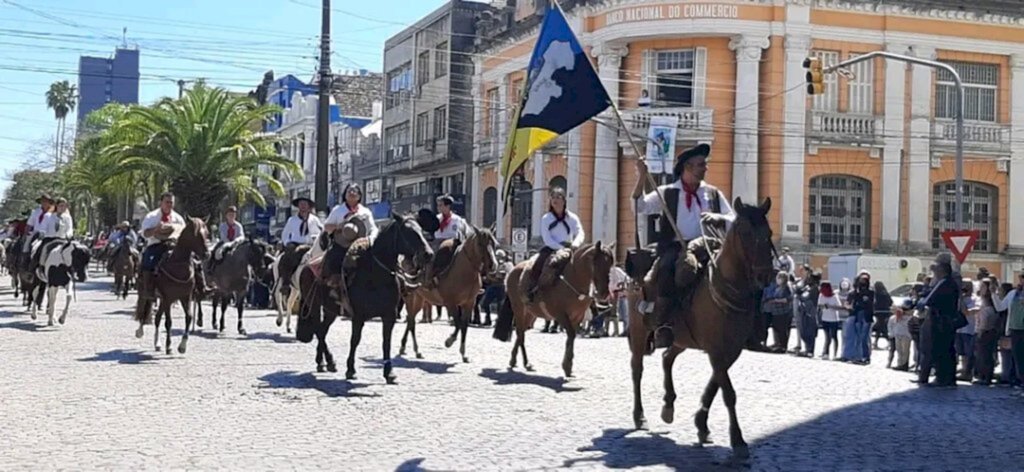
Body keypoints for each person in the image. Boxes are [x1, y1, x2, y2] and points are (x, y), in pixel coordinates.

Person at [633, 143, 734, 349]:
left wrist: (718, 217)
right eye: (700, 165)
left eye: (704, 164)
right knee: (668, 270)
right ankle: (663, 324)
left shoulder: (713, 193)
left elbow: (733, 218)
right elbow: (639, 207)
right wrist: (642, 177)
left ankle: (740, 322)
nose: (705, 168)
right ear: (687, 167)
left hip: (709, 246)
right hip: (676, 247)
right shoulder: (667, 192)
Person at [526, 187, 584, 302]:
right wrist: (561, 248)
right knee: (538, 264)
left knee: (585, 266)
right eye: (553, 197)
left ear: (564, 200)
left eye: (558, 197)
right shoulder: (546, 218)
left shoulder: (572, 217)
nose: (555, 200)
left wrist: (576, 244)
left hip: (570, 248)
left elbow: (580, 232)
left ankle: (591, 300)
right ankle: (532, 291)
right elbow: (547, 238)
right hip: (552, 248)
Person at [915, 254, 960, 387]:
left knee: (942, 350)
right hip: (940, 321)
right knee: (941, 349)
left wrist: (922, 301)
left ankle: (944, 378)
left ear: (942, 270)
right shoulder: (942, 282)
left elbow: (930, 300)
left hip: (942, 322)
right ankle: (943, 377)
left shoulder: (946, 283)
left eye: (936, 270)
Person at [138, 192, 186, 300]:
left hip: (174, 246)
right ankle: (148, 289)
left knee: (192, 261)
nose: (169, 205)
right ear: (161, 203)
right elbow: (145, 234)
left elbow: (183, 234)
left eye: (171, 202)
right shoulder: (151, 217)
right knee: (147, 262)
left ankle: (198, 286)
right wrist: (156, 230)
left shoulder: (178, 219)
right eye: (167, 202)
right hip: (156, 244)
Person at [423, 194, 467, 289]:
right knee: (429, 257)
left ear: (448, 206)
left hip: (453, 243)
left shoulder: (458, 220)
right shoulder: (436, 219)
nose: (438, 208)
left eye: (441, 205)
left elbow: (465, 233)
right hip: (438, 243)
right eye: (438, 205)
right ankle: (429, 279)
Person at [992, 273, 1024, 390]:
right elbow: (1000, 307)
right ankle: (1020, 382)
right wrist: (993, 294)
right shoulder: (1013, 294)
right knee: (1018, 357)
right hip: (1014, 329)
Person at [31, 197, 73, 271]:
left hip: (62, 240)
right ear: (57, 206)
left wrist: (68, 234)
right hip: (49, 239)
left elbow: (70, 228)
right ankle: (38, 267)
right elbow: (43, 227)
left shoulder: (67, 218)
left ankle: (73, 270)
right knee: (41, 250)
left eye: (64, 206)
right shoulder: (48, 216)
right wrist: (42, 232)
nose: (63, 208)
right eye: (61, 206)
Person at [842, 272, 874, 364]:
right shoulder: (855, 292)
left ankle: (866, 357)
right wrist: (850, 306)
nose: (863, 282)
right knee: (858, 337)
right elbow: (850, 303)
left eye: (865, 280)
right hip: (857, 316)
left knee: (864, 338)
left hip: (867, 317)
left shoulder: (871, 292)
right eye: (861, 280)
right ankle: (857, 356)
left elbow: (869, 304)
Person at [973, 279, 1000, 385]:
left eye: (983, 287)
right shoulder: (982, 303)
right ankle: (982, 375)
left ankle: (986, 376)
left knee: (985, 355)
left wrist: (981, 330)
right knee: (981, 355)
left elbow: (988, 320)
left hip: (987, 332)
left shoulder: (990, 305)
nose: (981, 289)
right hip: (982, 330)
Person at [209, 206, 245, 273]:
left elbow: (242, 236)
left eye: (233, 215)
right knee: (215, 251)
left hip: (236, 244)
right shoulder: (222, 226)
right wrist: (229, 243)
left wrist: (237, 240)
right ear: (226, 216)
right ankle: (211, 267)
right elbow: (223, 237)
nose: (231, 216)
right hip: (224, 243)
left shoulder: (239, 226)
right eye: (230, 215)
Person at [955, 281, 979, 381]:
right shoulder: (960, 299)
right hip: (959, 329)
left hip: (969, 329)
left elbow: (966, 312)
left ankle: (969, 372)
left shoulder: (974, 299)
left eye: (966, 286)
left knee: (969, 352)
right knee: (961, 353)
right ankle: (964, 371)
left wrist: (961, 299)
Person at [764, 271, 793, 353]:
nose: (777, 279)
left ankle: (783, 346)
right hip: (776, 312)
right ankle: (777, 344)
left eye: (779, 278)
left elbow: (788, 299)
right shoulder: (777, 287)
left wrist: (776, 300)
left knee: (782, 329)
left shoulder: (786, 287)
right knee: (776, 328)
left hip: (783, 311)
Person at [794, 270, 821, 358]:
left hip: (811, 313)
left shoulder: (816, 289)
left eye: (811, 278)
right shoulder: (808, 287)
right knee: (803, 332)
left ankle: (810, 350)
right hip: (804, 311)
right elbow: (801, 294)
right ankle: (807, 349)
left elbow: (808, 298)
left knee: (810, 333)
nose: (809, 280)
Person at [818, 281, 843, 360]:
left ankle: (835, 354)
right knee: (827, 337)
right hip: (825, 318)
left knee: (834, 337)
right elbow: (820, 305)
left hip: (834, 319)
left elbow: (839, 307)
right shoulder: (821, 295)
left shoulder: (834, 296)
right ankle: (826, 353)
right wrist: (824, 306)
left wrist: (831, 306)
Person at [888, 300, 913, 371]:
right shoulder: (895, 317)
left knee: (905, 351)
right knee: (899, 350)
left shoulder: (909, 317)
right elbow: (891, 324)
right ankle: (900, 364)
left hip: (906, 335)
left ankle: (904, 365)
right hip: (898, 334)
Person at [873, 281, 893, 350]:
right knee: (881, 327)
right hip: (885, 312)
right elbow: (891, 302)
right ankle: (877, 341)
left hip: (878, 312)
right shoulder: (886, 293)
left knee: (881, 328)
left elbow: (874, 303)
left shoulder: (876, 294)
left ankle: (888, 341)